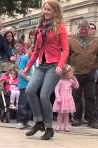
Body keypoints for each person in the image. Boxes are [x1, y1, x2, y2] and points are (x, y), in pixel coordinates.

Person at [23, 0, 69, 140]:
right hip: (41, 65)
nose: (46, 11)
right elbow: (36, 51)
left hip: (54, 65)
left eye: (49, 9)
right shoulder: (40, 28)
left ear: (55, 12)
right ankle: (38, 122)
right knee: (29, 90)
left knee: (44, 95)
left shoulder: (60, 27)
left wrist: (60, 66)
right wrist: (28, 67)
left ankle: (49, 127)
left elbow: (66, 50)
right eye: (44, 9)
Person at [68, 20, 98, 129]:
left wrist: (96, 66)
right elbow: (67, 55)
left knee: (90, 96)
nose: (83, 30)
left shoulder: (95, 41)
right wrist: (69, 69)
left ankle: (91, 119)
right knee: (76, 96)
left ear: (88, 29)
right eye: (81, 28)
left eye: (86, 28)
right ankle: (76, 118)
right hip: (76, 73)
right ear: (78, 28)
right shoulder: (71, 40)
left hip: (90, 73)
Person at [53, 65, 79, 132]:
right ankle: (58, 126)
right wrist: (58, 97)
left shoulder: (71, 81)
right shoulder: (61, 81)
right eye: (71, 73)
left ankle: (66, 126)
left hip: (68, 99)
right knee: (60, 114)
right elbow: (56, 89)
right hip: (62, 99)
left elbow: (76, 86)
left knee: (67, 114)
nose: (72, 74)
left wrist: (75, 79)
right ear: (66, 73)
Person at [16, 47, 33, 129]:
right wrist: (28, 78)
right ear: (28, 49)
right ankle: (20, 120)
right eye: (32, 50)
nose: (33, 52)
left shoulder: (34, 59)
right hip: (24, 84)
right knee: (23, 103)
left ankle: (26, 120)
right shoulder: (24, 58)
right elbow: (21, 71)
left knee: (30, 103)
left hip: (32, 85)